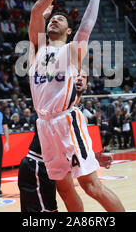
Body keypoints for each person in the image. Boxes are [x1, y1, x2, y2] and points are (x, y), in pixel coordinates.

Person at [27, 0, 124, 212]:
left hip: (66, 122)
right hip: (44, 125)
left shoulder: (72, 51)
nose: (54, 20)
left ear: (69, 32)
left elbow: (87, 27)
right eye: (53, 19)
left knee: (91, 185)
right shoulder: (37, 49)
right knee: (64, 189)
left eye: (61, 20)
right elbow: (37, 11)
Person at [18, 73, 113, 212]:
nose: (80, 78)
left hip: (50, 168)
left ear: (87, 86)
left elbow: (75, 149)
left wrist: (93, 158)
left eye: (84, 77)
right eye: (76, 75)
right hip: (39, 166)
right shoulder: (54, 102)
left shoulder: (79, 116)